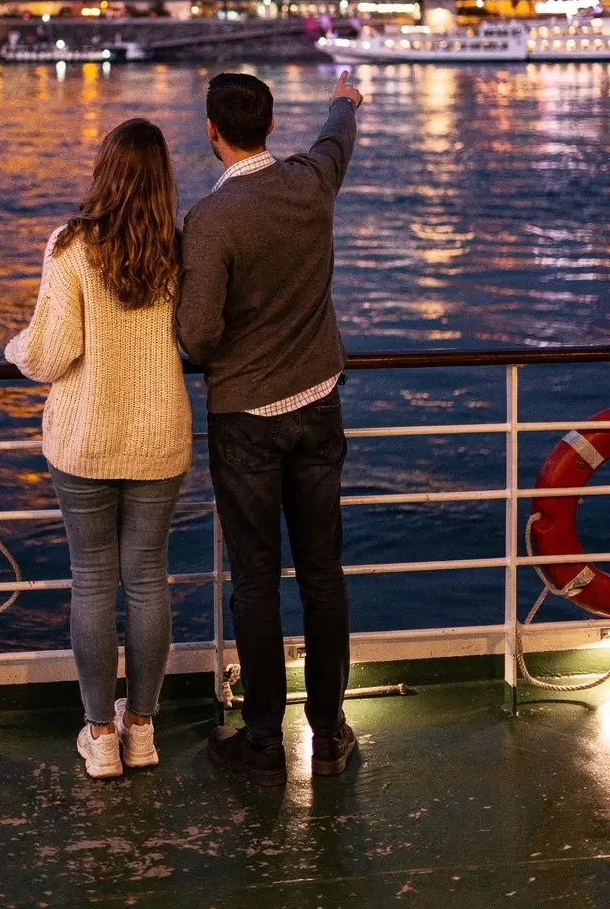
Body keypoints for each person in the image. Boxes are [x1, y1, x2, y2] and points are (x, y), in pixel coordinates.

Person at [176, 70, 362, 787]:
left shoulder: (212, 220)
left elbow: (196, 337)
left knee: (256, 581)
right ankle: (330, 734)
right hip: (319, 406)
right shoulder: (312, 181)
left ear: (213, 131)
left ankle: (261, 742)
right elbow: (336, 137)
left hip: (247, 421)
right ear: (271, 126)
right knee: (322, 574)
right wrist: (345, 98)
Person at [5, 119, 192, 780]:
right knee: (147, 581)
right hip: (158, 435)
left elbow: (51, 352)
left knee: (93, 582)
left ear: (103, 173)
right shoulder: (177, 248)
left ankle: (99, 737)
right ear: (163, 177)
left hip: (85, 439)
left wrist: (12, 350)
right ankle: (140, 729)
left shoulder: (72, 247)